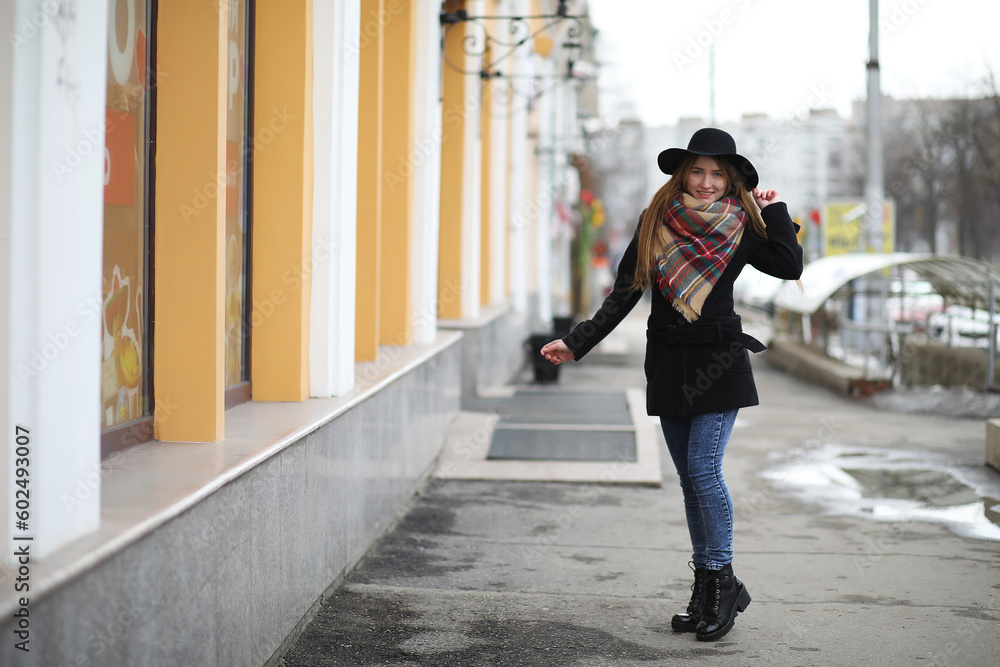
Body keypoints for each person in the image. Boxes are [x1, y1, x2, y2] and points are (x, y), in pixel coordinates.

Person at [541, 128, 803, 642]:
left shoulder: (741, 225)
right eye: (698, 171)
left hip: (719, 363)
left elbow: (789, 265)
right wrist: (577, 342)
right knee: (689, 479)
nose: (706, 183)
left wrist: (774, 209)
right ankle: (707, 587)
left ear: (732, 182)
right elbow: (625, 292)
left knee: (705, 470)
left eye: (718, 174)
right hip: (668, 362)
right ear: (683, 174)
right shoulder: (655, 222)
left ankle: (723, 579)